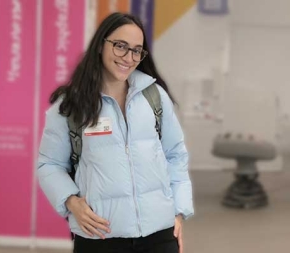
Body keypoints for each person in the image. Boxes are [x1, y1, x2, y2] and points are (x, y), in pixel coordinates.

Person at [37, 12, 194, 253]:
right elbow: (49, 164)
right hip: (99, 234)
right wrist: (71, 202)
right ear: (101, 45)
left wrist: (178, 211)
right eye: (120, 46)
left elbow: (175, 155)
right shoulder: (71, 104)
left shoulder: (154, 97)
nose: (128, 58)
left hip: (159, 235)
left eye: (136, 50)